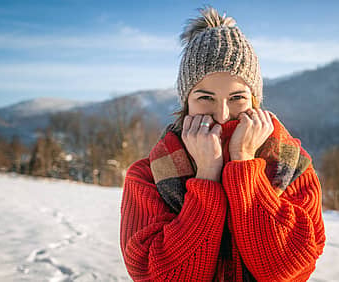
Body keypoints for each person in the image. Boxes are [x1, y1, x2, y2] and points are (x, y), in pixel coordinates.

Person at [120, 6, 325, 281]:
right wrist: (206, 177)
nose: (222, 115)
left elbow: (287, 269)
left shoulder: (293, 167)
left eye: (237, 98)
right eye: (205, 98)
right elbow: (156, 275)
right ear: (186, 102)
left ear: (255, 100)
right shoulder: (147, 176)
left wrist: (242, 163)